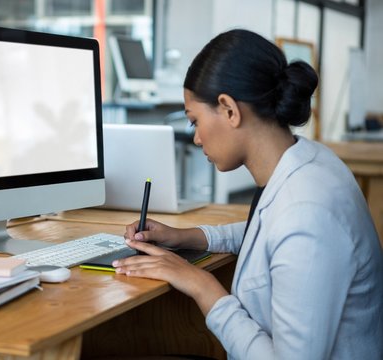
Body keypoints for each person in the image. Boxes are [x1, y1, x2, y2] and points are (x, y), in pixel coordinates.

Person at [113, 29, 383, 360]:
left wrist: (202, 287)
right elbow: (272, 231)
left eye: (195, 121)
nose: (196, 138)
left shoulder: (307, 212)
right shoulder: (308, 161)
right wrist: (186, 236)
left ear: (229, 109)